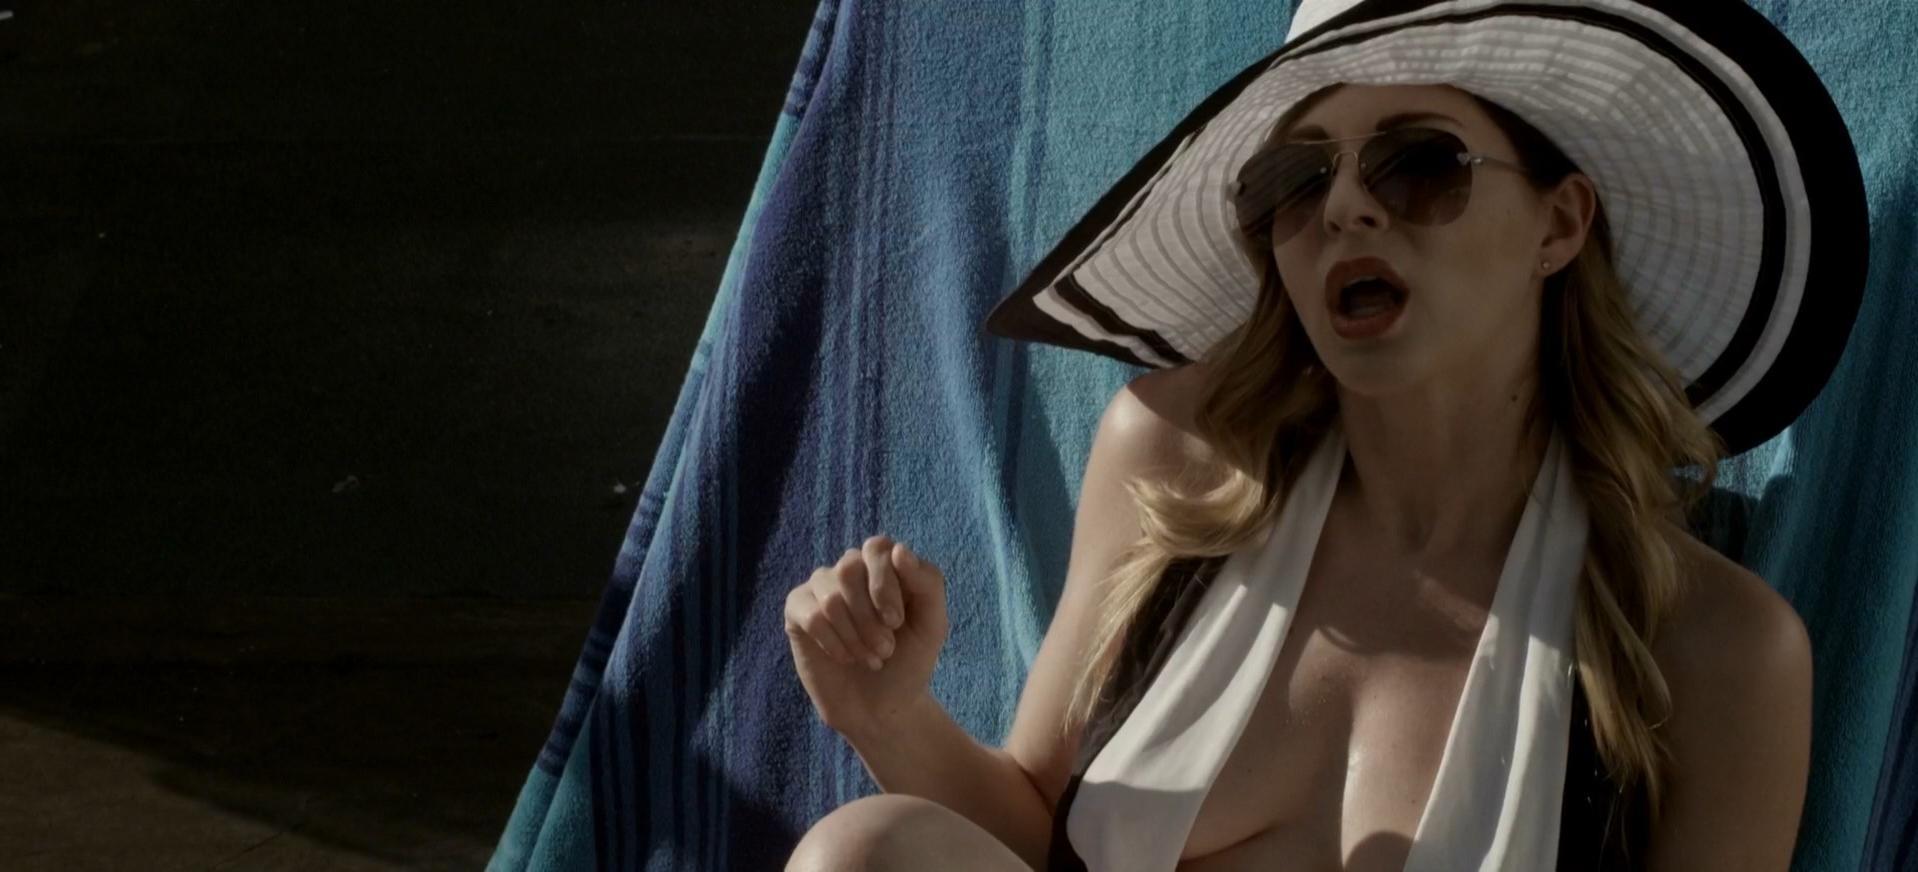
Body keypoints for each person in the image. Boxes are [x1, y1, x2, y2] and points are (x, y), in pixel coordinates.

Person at [781, 0, 1866, 869]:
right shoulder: (1175, 464)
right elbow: (1030, 834)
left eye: (1417, 165)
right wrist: (888, 714)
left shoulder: (1716, 649)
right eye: (1294, 182)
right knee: (864, 850)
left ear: (1560, 221)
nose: (1345, 208)